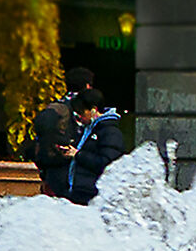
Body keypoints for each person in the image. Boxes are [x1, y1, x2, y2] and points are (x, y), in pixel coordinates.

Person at [31, 66, 94, 198]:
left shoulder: (57, 106)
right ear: (87, 86)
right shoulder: (82, 108)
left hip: (51, 170)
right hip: (70, 171)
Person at [64, 89, 126, 205]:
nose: (80, 117)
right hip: (81, 191)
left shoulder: (110, 132)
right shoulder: (89, 129)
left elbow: (107, 163)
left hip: (93, 195)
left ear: (93, 110)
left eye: (81, 113)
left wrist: (78, 155)